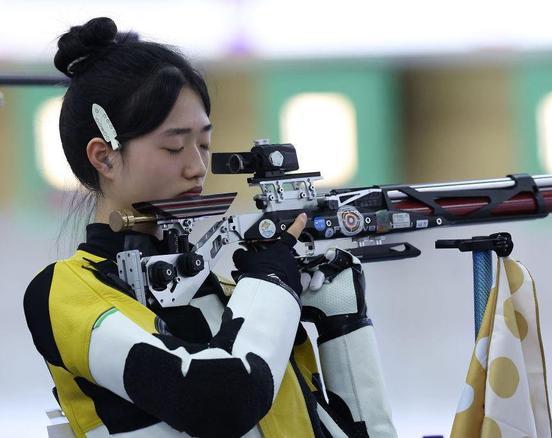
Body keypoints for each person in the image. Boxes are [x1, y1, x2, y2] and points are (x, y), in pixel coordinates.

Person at [23, 17, 396, 438]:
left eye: (204, 144)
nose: (197, 168)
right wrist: (273, 281)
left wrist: (341, 325)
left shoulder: (236, 299)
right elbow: (221, 401)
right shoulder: (64, 293)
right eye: (174, 146)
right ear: (103, 157)